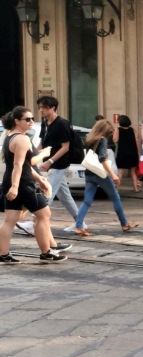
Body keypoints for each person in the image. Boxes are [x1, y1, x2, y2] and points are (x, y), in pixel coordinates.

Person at [1, 107, 66, 263]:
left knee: (10, 219)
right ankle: (46, 252)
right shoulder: (22, 139)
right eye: (27, 119)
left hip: (12, 181)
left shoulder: (10, 137)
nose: (31, 122)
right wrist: (43, 154)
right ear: (17, 121)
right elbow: (20, 165)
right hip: (23, 184)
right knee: (44, 216)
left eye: (32, 119)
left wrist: (39, 179)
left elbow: (23, 166)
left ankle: (2, 254)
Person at [72, 119, 140, 237]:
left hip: (89, 173)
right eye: (108, 132)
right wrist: (113, 175)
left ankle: (78, 226)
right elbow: (102, 159)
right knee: (115, 197)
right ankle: (124, 223)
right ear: (105, 130)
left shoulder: (90, 140)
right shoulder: (102, 140)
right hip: (99, 174)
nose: (109, 135)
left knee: (87, 201)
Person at [34, 96, 81, 230]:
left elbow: (65, 147)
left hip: (59, 164)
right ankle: (80, 222)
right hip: (50, 163)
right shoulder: (45, 123)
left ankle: (34, 223)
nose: (41, 110)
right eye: (40, 107)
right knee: (64, 196)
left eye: (44, 107)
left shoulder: (62, 124)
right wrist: (34, 155)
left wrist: (50, 161)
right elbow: (42, 142)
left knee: (47, 192)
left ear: (53, 108)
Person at [113, 115, 143, 192]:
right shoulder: (132, 130)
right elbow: (137, 141)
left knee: (121, 171)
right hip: (133, 153)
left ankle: (116, 189)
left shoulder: (118, 129)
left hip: (122, 153)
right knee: (133, 172)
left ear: (120, 122)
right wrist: (138, 152)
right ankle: (136, 188)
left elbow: (115, 140)